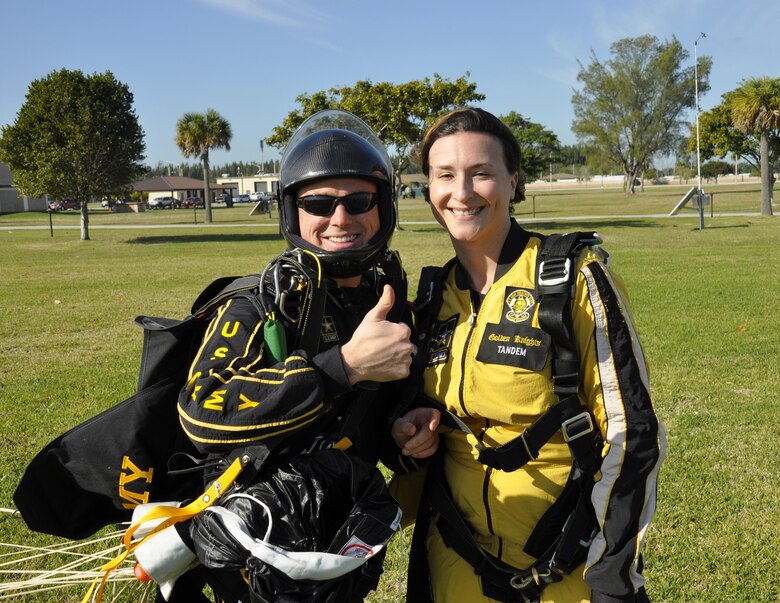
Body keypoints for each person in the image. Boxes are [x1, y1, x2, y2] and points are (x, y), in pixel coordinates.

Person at [392, 107, 666, 603]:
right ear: (428, 188)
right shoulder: (434, 296)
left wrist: (612, 577)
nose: (461, 192)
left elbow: (632, 434)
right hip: (454, 562)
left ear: (514, 180)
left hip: (566, 567)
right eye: (444, 175)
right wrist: (413, 425)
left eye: (481, 173)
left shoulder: (571, 278)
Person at [170, 109, 432, 602]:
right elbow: (202, 411)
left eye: (359, 201)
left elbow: (367, 423)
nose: (341, 219)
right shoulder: (261, 304)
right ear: (293, 212)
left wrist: (402, 435)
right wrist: (344, 367)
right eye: (318, 204)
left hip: (339, 542)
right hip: (256, 550)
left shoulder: (387, 303)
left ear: (383, 208)